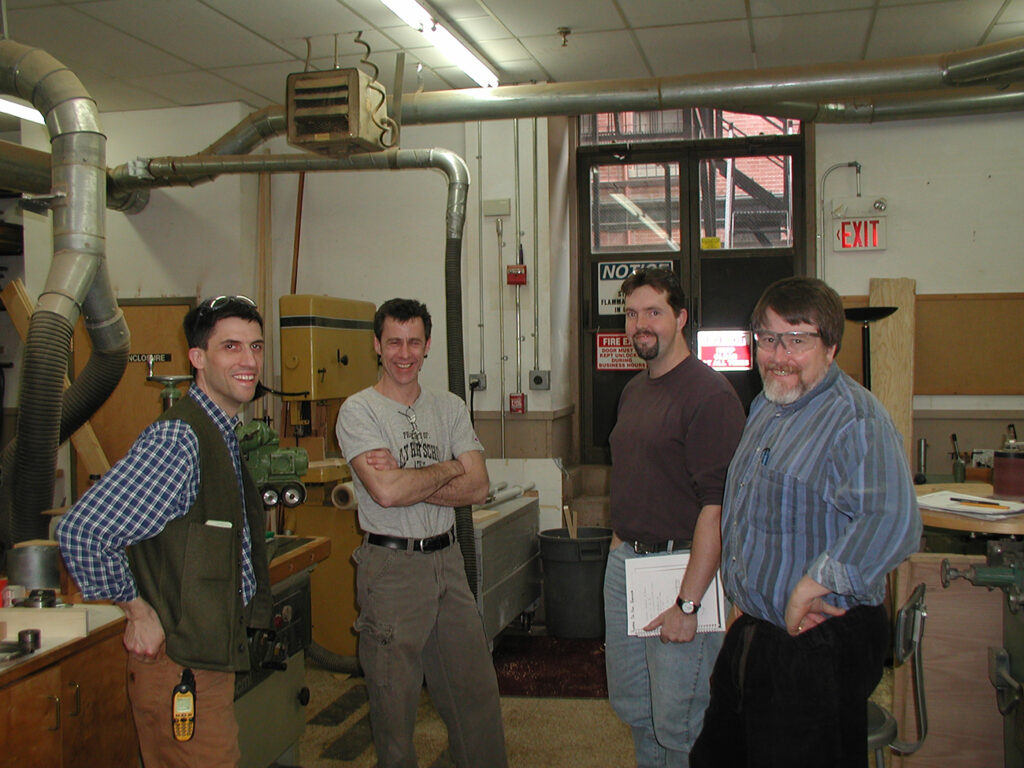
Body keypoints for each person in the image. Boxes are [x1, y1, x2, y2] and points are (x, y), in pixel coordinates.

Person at [690, 277, 922, 768]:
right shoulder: (767, 406)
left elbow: (894, 521)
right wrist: (744, 598)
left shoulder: (854, 420)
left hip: (817, 638)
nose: (779, 355)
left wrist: (809, 587)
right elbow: (751, 509)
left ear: (831, 346)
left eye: (797, 340)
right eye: (768, 338)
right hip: (758, 630)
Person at [56, 295, 272, 767]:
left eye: (255, 347)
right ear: (197, 357)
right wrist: (137, 612)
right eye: (231, 347)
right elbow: (82, 532)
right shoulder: (180, 439)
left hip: (205, 658)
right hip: (180, 668)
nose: (249, 360)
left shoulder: (220, 432)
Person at [335, 297, 508, 768]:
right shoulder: (359, 411)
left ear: (428, 345)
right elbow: (386, 493)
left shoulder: (449, 407)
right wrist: (449, 467)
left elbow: (478, 486)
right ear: (377, 345)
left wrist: (410, 476)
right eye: (394, 342)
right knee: (395, 709)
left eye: (414, 342)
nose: (404, 354)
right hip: (392, 569)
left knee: (477, 696)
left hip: (448, 563)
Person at [603, 268, 746, 767]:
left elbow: (718, 508)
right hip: (628, 565)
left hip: (681, 570)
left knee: (681, 719)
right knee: (637, 709)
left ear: (681, 318)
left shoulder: (710, 395)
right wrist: (618, 552)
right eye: (631, 313)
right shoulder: (634, 391)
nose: (640, 324)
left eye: (654, 312)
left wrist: (689, 604)